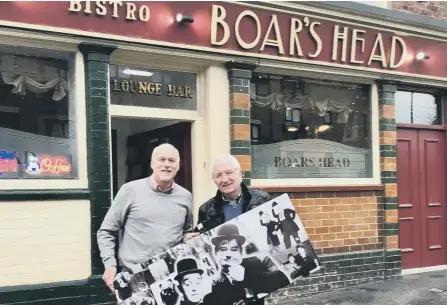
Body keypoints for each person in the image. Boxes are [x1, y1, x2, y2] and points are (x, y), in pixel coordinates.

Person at [97, 143, 199, 292]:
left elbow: (184, 232)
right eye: (161, 159)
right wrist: (110, 264)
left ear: (178, 165)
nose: (166, 165)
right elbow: (106, 231)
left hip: (170, 276)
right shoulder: (130, 191)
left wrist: (189, 238)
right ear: (152, 164)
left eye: (171, 161)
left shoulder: (185, 196)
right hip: (134, 277)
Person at [196, 154, 273, 305]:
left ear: (240, 174)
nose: (224, 179)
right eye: (218, 175)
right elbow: (204, 238)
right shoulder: (205, 209)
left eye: (229, 173)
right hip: (226, 291)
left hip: (253, 283)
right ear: (214, 180)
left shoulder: (263, 200)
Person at [202, 224, 290, 305]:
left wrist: (246, 278)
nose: (228, 254)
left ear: (240, 252)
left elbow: (283, 281)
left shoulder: (259, 260)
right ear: (217, 253)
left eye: (233, 249)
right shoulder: (215, 283)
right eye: (223, 249)